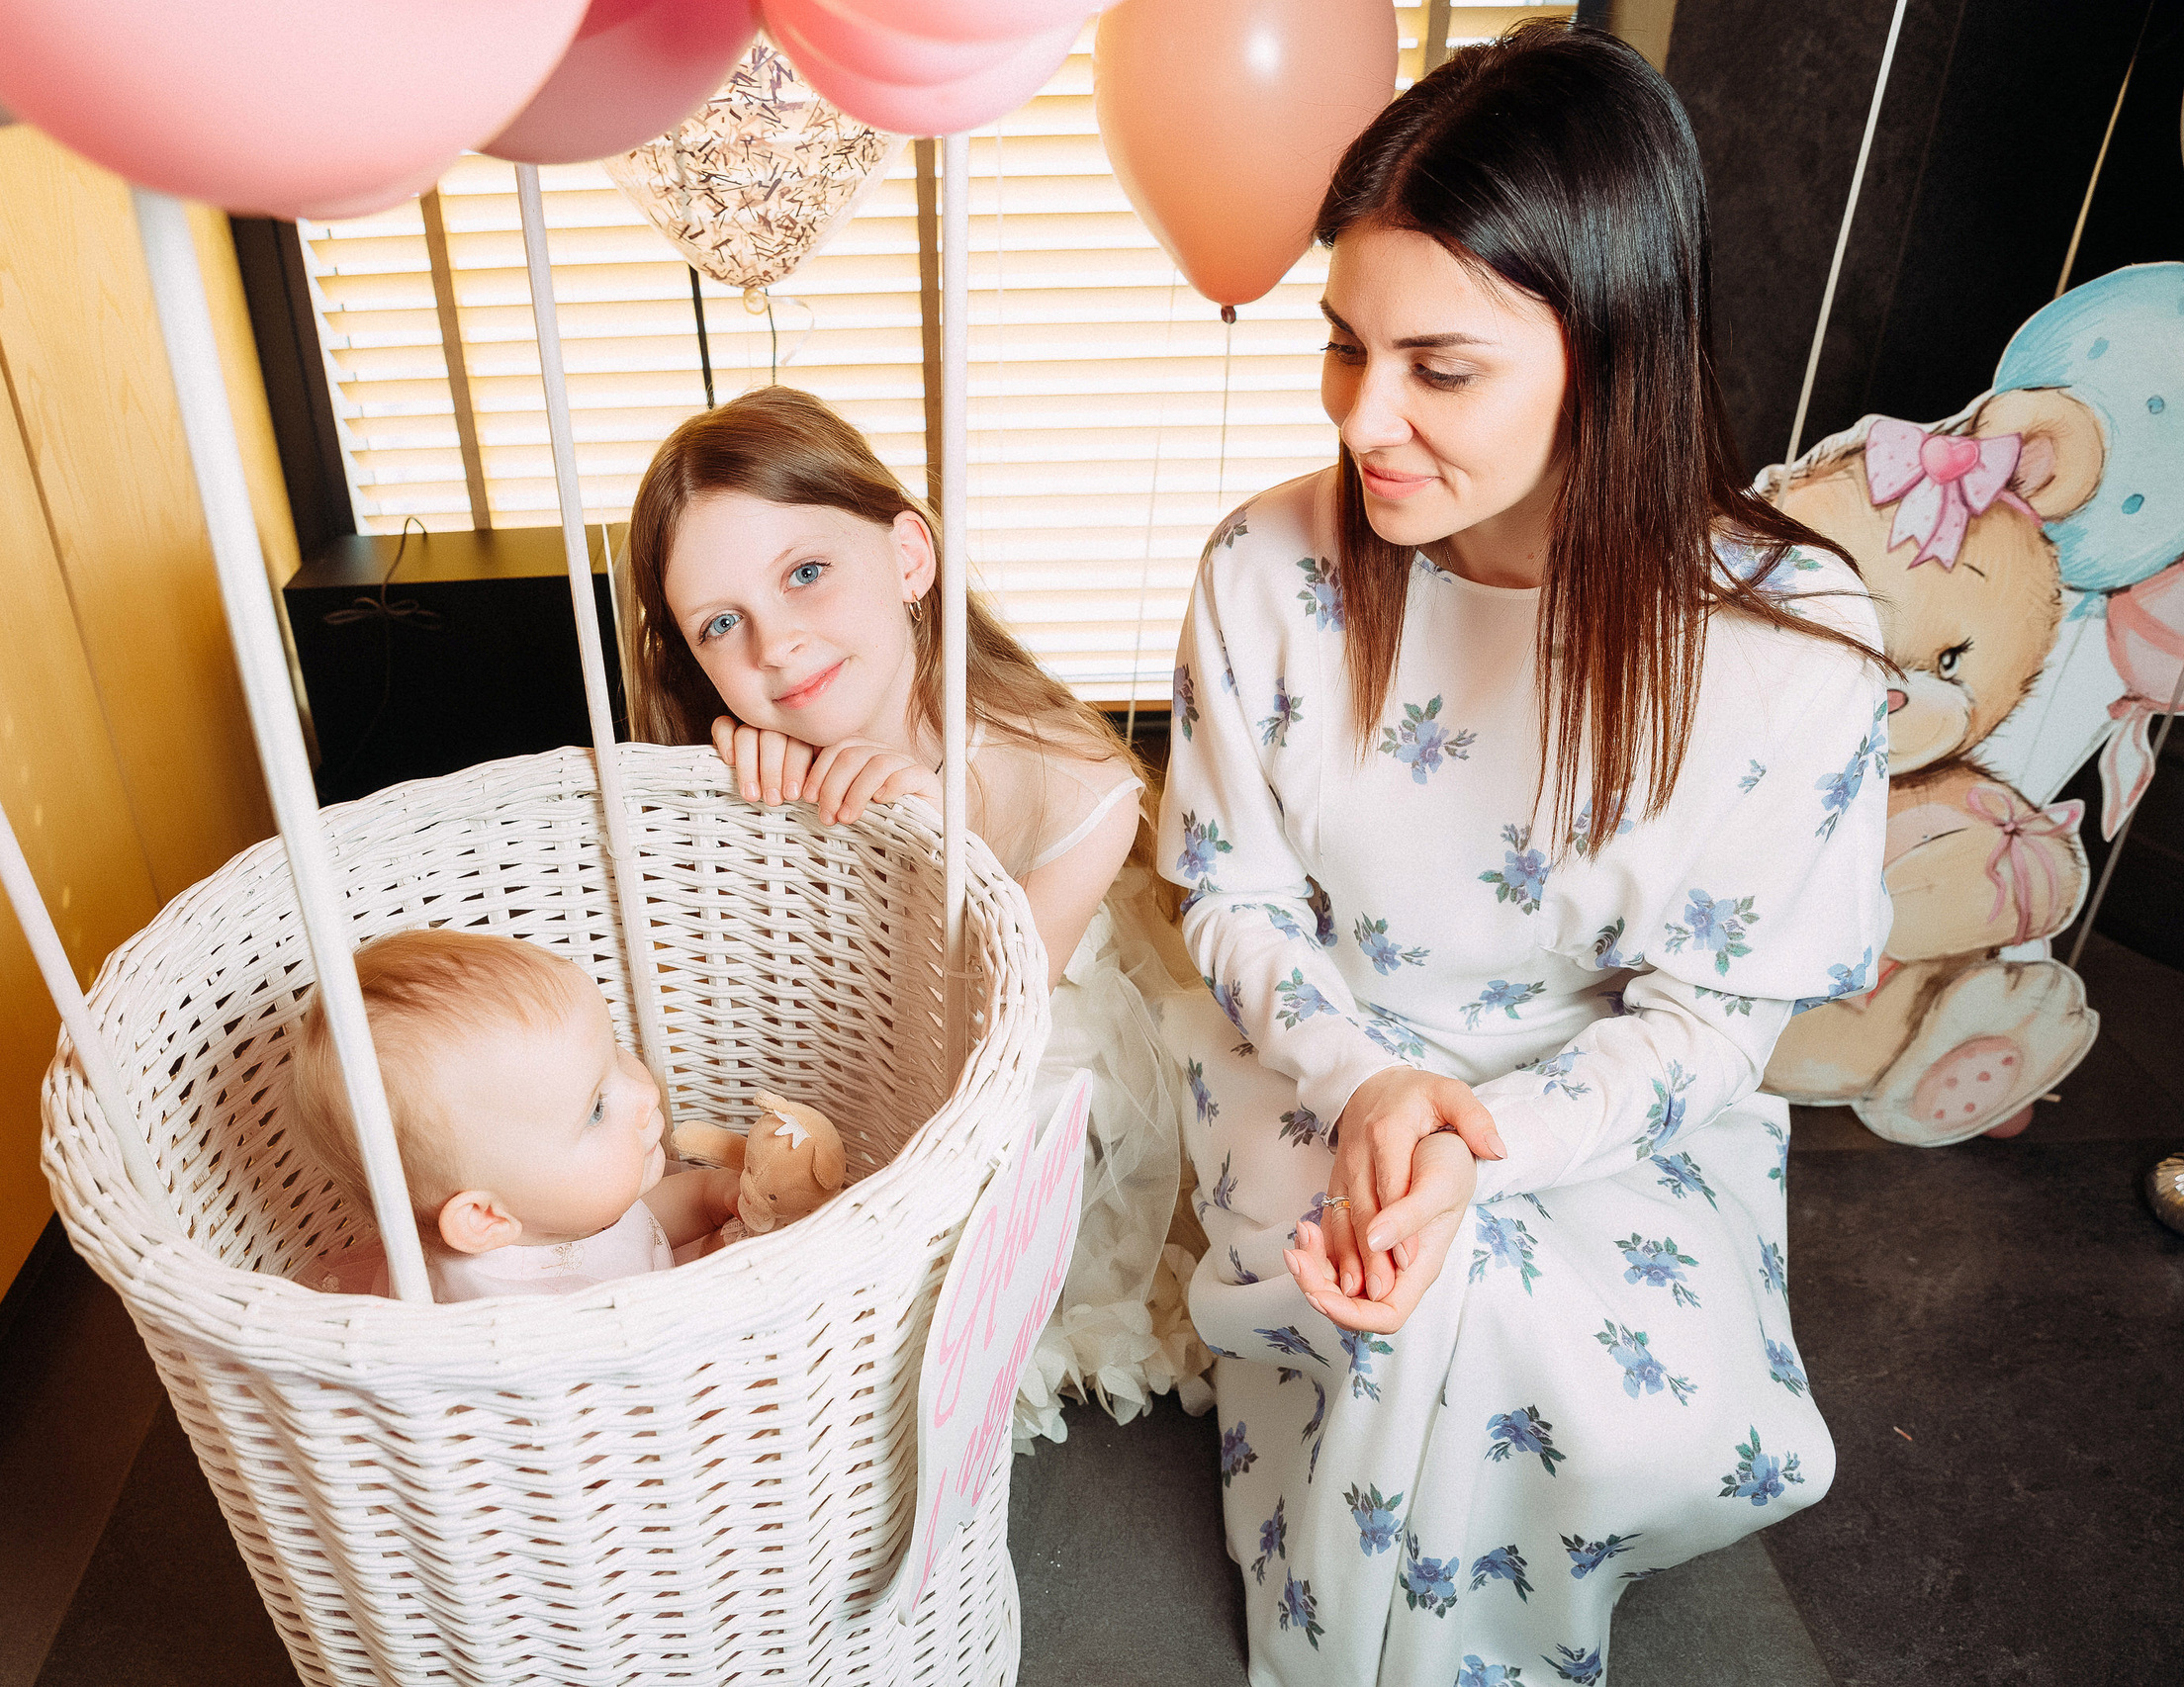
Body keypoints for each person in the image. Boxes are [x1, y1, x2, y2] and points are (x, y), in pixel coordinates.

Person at [1156, 23, 1890, 1683]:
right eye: (1344, 347)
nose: (1365, 420)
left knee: (1517, 1333)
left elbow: (1711, 1025)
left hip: (1606, 1098)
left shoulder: (1793, 649)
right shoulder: (1265, 571)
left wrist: (1487, 1144)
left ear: (1613, 349)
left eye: (1441, 366)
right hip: (1319, 1050)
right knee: (1420, 1312)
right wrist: (1366, 1090)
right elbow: (1239, 898)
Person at [623, 385, 1210, 1444]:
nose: (776, 645)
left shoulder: (1074, 783)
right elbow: (743, 975)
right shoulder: (757, 739)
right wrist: (763, 798)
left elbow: (979, 1043)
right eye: (722, 623)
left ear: (907, 560)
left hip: (999, 1031)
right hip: (843, 1013)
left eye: (806, 573)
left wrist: (922, 836)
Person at [292, 929, 740, 1300]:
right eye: (596, 1109)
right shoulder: (512, 1320)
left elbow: (638, 1226)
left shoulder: (551, 1206)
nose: (644, 1093)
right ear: (487, 1218)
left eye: (616, 1050)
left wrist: (711, 1197)